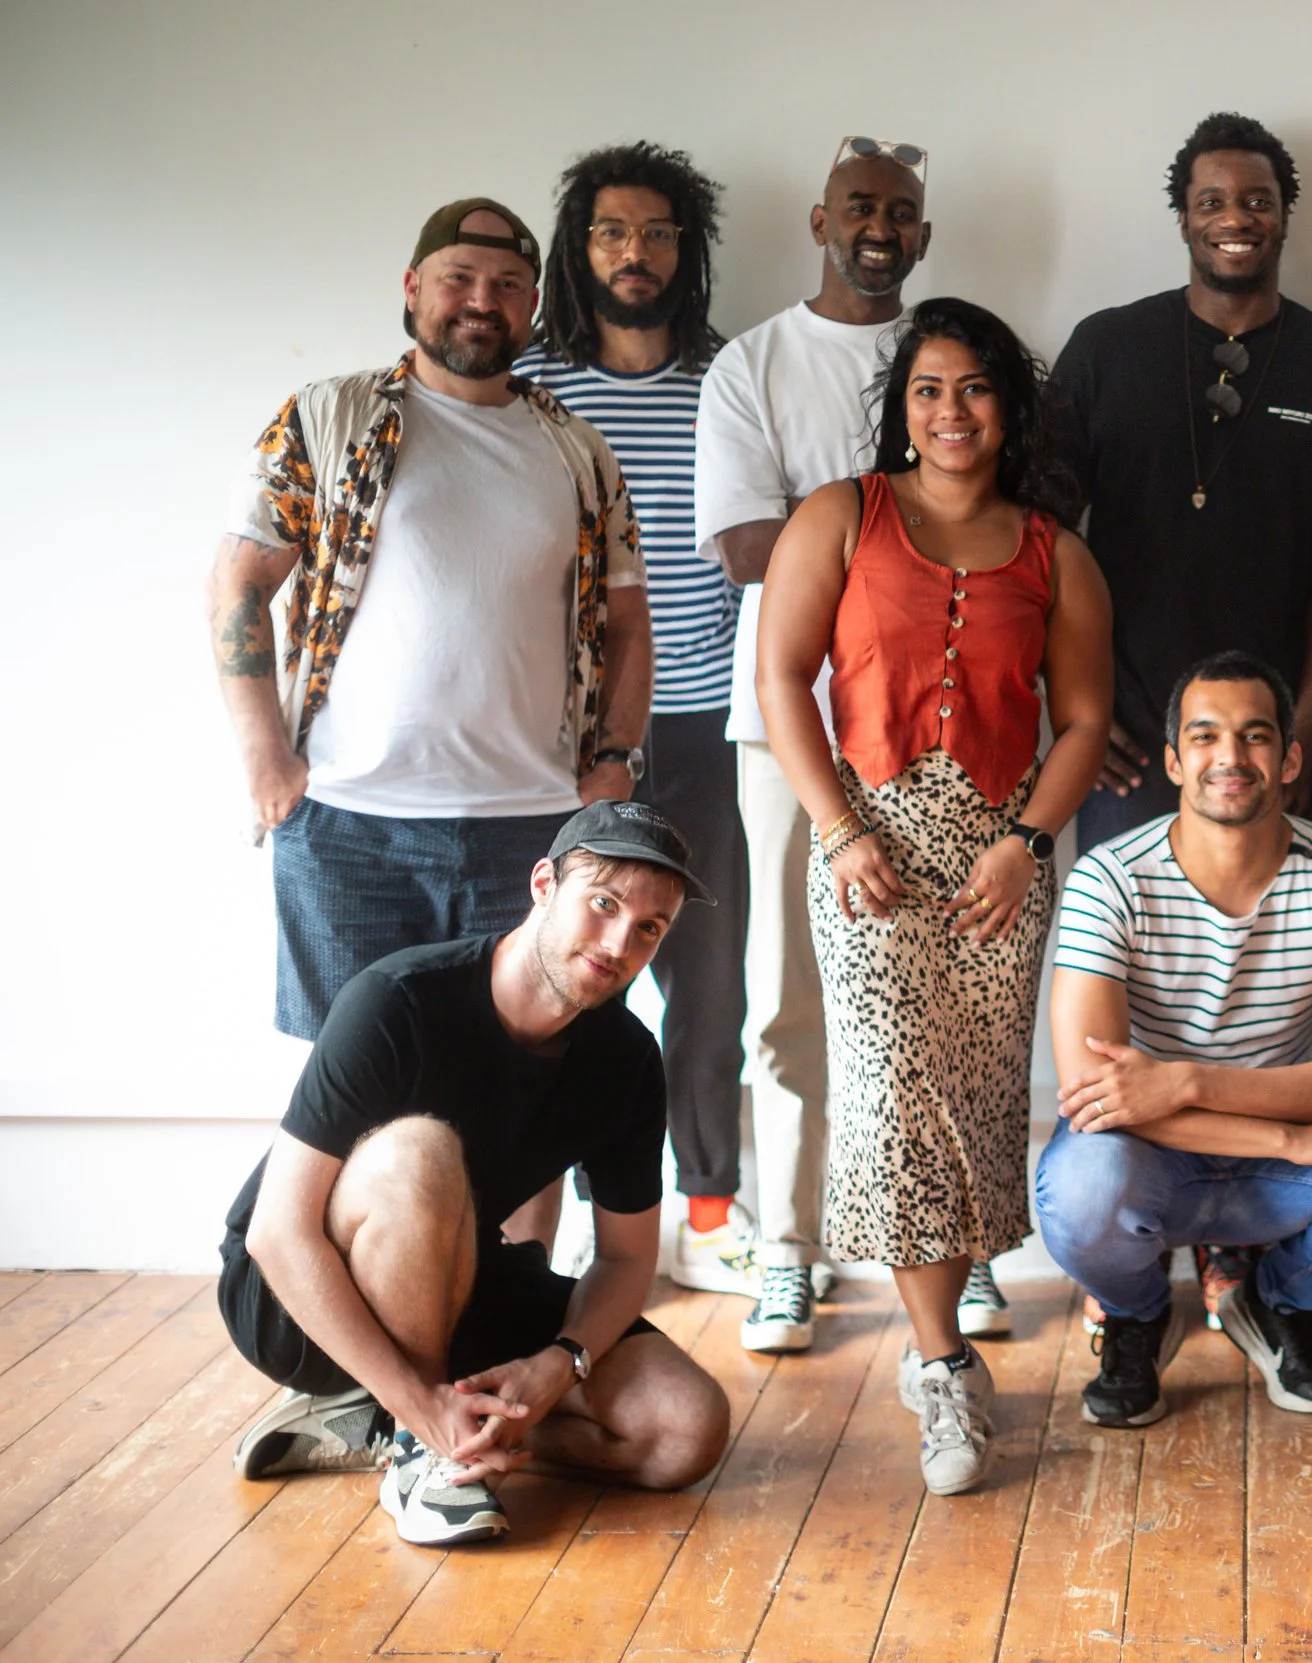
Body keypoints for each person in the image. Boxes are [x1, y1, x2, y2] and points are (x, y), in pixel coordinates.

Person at [756, 297, 1113, 1496]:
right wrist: (840, 827)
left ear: (1008, 407)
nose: (950, 411)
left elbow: (1086, 722)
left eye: (973, 388)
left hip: (1000, 861)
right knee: (894, 1091)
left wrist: (1024, 844)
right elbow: (781, 680)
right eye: (927, 388)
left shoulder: (1055, 550)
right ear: (900, 405)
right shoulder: (839, 516)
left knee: (976, 1087)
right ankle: (942, 1366)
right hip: (870, 848)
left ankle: (955, 1301)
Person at [219, 802, 732, 1546]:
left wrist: (561, 1363)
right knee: (421, 1151)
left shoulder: (625, 1059)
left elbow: (626, 1258)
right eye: (604, 903)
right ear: (542, 884)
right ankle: (420, 1439)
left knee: (687, 1427)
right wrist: (423, 1405)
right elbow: (278, 1232)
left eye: (649, 927)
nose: (620, 940)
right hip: (290, 1297)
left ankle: (398, 1420)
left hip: (453, 1275)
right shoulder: (399, 1000)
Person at [696, 136, 1006, 1350]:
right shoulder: (755, 363)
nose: (880, 227)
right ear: (823, 219)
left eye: (904, 213)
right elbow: (740, 551)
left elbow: (1005, 522)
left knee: (956, 996)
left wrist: (849, 553)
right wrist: (894, 563)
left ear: (924, 236)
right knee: (790, 1001)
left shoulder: (960, 359)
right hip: (789, 727)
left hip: (957, 735)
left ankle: (961, 1244)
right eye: (861, 207)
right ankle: (790, 1245)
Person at [209, 198, 649, 1041]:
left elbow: (628, 621)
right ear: (413, 290)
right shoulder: (325, 420)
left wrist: (616, 764)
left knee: (525, 1091)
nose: (483, 299)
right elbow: (237, 585)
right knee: (355, 1103)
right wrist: (265, 759)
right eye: (460, 278)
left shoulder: (580, 452)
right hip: (348, 827)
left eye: (509, 284)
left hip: (530, 830)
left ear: (532, 305)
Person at [1037, 652, 1312, 1427]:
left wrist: (1183, 1081)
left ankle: (1277, 1302)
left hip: (1261, 1149)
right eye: (1206, 736)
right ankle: (1137, 1315)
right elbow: (1094, 1091)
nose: (1230, 757)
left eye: (1254, 736)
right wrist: (1287, 1136)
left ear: (1289, 758)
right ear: (1176, 760)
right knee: (1080, 1192)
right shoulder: (1109, 877)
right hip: (1150, 1151)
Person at [512, 142, 753, 1296]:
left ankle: (708, 1208)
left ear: (686, 249)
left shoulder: (732, 373)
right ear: (580, 248)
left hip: (706, 713)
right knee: (565, 962)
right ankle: (551, 1221)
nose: (635, 252)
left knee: (706, 973)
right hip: (562, 729)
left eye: (656, 232)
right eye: (612, 231)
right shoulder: (527, 380)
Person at [1054, 112, 1312, 849]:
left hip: (1274, 743)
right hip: (1132, 740)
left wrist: (1307, 727)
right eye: (1212, 202)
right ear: (1183, 220)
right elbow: (1039, 539)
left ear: (1284, 217)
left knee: (1277, 962)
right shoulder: (1105, 350)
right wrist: (1074, 698)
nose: (1236, 217)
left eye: (1258, 201)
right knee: (1129, 960)